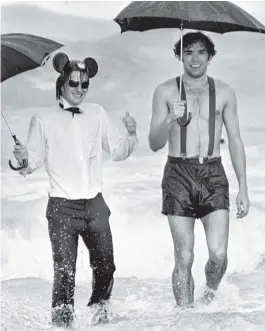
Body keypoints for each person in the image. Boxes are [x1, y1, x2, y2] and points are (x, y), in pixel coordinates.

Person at [12, 52, 138, 327]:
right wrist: (21, 157)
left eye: (84, 84)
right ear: (63, 83)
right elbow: (30, 164)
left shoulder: (97, 112)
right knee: (65, 272)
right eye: (74, 83)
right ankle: (62, 324)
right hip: (61, 208)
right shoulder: (43, 119)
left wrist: (130, 134)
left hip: (95, 204)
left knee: (106, 267)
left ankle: (99, 314)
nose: (80, 89)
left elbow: (117, 151)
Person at [148, 32, 250, 307]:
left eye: (201, 52)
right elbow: (153, 143)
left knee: (218, 255)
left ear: (210, 56)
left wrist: (243, 188)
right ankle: (185, 317)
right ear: (179, 56)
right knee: (184, 256)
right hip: (178, 173)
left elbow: (236, 140)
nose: (194, 58)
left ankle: (208, 296)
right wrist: (170, 118)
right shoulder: (165, 91)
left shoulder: (225, 92)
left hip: (213, 173)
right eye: (188, 52)